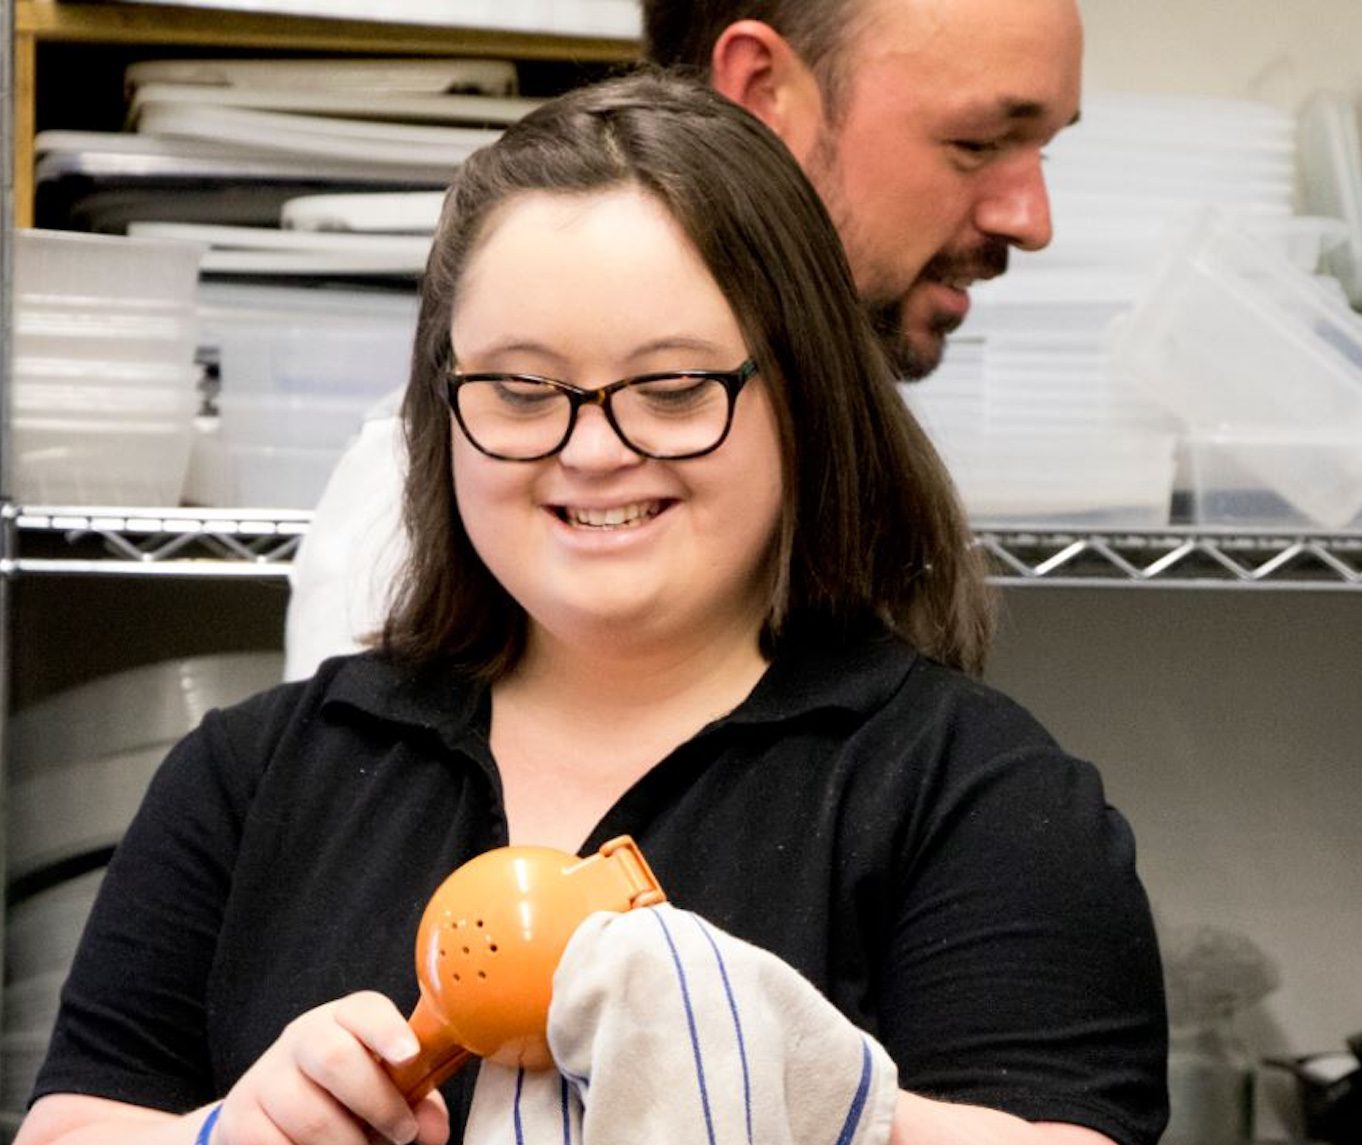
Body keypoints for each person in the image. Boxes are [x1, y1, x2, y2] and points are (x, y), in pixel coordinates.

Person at [0, 71, 1163, 1145]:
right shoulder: (259, 774)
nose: (591, 448)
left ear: (806, 396)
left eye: (671, 386)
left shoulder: (975, 791)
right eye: (518, 387)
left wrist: (745, 1069)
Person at [282, 0, 1080, 680]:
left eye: (676, 390)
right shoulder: (420, 538)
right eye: (975, 142)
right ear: (762, 92)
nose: (1032, 220)